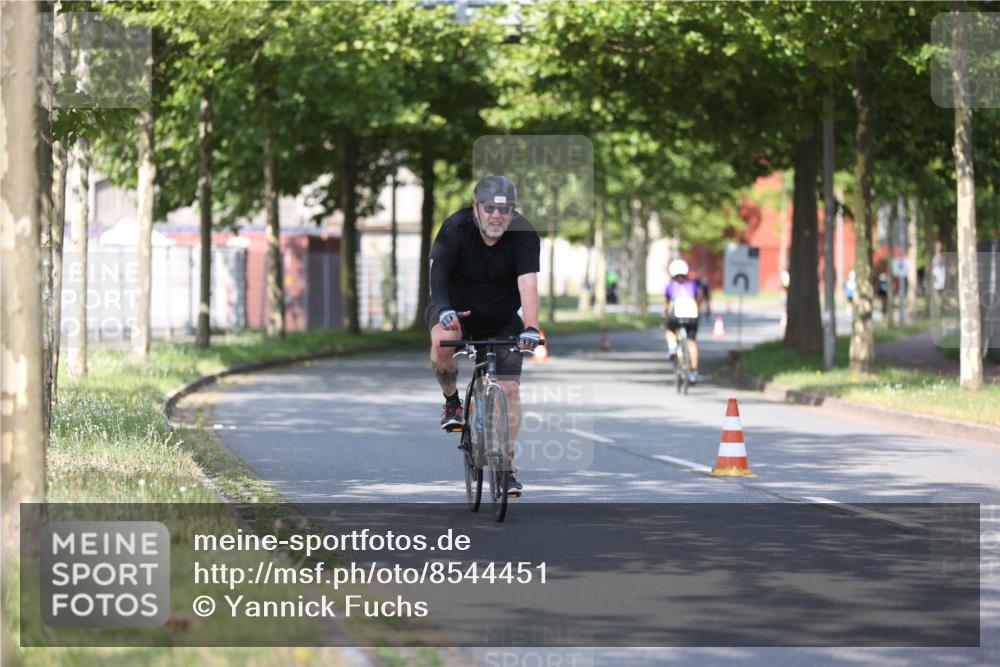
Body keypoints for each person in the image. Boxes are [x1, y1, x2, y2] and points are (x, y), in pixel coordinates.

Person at [426, 175, 541, 493]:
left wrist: (531, 326)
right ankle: (452, 401)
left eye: (505, 211)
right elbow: (438, 271)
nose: (497, 216)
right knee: (441, 339)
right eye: (490, 208)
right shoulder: (456, 227)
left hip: (502, 318)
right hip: (456, 312)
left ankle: (504, 465)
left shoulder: (524, 234)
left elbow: (528, 283)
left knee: (509, 390)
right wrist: (445, 307)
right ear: (476, 208)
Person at [663, 259, 702, 383]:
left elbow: (666, 304)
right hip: (692, 316)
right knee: (692, 343)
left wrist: (665, 316)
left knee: (669, 330)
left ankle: (672, 347)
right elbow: (699, 299)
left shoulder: (670, 286)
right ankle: (694, 372)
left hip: (675, 316)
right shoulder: (692, 285)